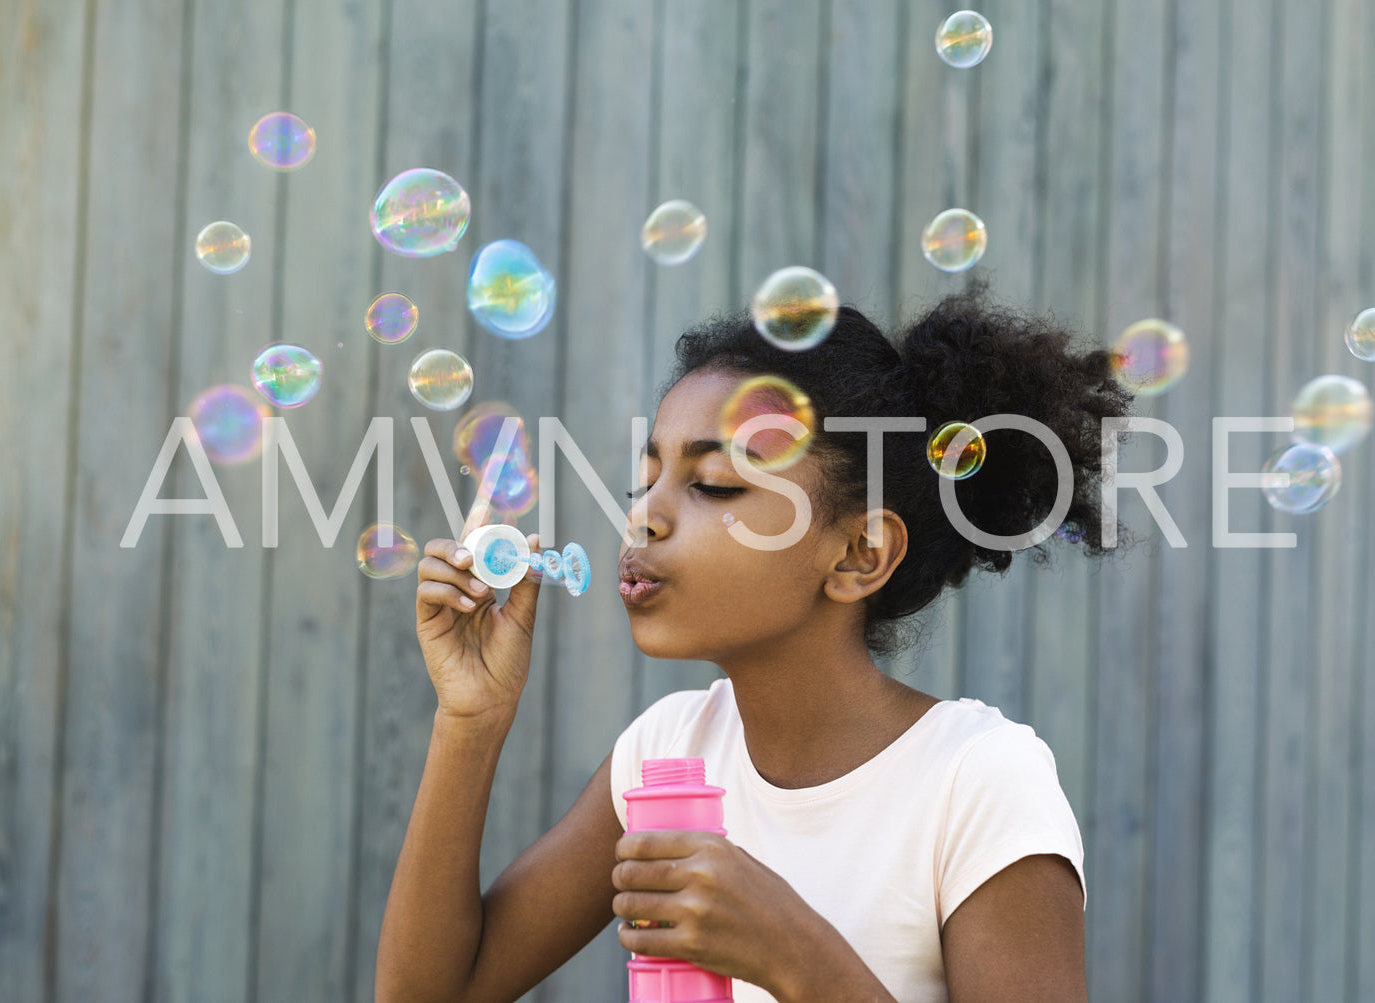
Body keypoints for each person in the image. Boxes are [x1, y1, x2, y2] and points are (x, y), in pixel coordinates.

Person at [376, 284, 1133, 1002]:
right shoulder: (668, 753)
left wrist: (796, 958)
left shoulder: (974, 780)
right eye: (646, 480)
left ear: (857, 553)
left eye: (713, 484)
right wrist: (469, 721)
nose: (643, 518)